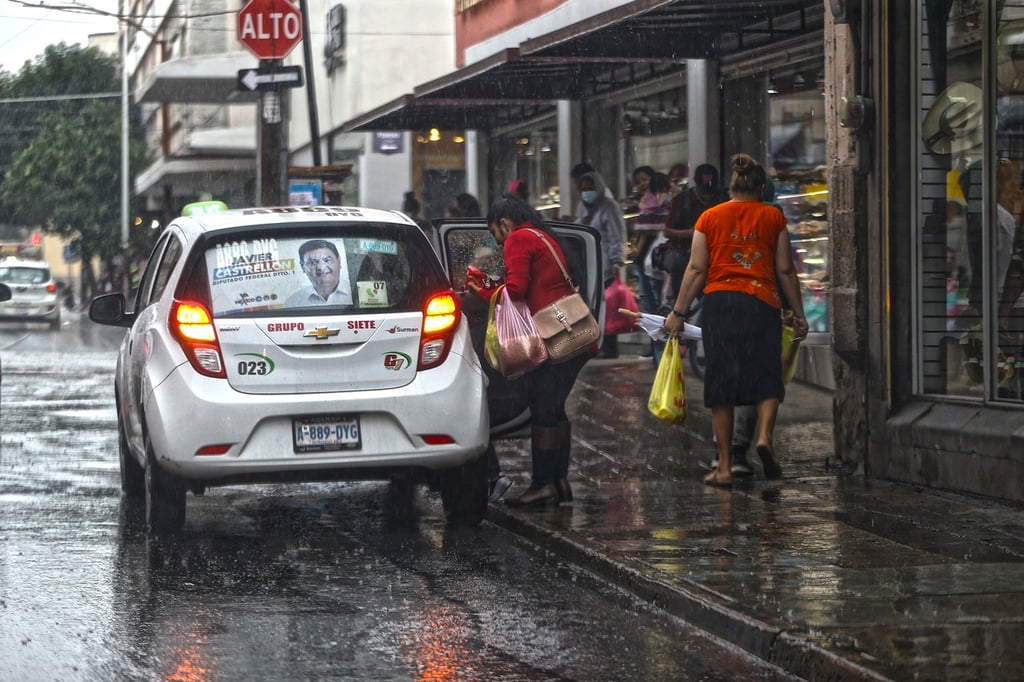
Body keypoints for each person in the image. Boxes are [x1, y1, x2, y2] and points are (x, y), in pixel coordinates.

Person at [663, 153, 808, 487]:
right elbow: (785, 269)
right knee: (767, 373)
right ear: (760, 189)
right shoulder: (773, 218)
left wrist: (678, 311)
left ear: (730, 188)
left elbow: (697, 268)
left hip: (721, 304)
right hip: (762, 302)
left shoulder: (710, 217)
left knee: (722, 383)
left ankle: (725, 467)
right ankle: (764, 439)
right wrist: (797, 314)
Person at [467, 195, 592, 507]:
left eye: (495, 234)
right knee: (554, 408)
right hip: (571, 332)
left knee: (543, 409)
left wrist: (481, 291)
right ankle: (559, 482)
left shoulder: (518, 239)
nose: (497, 243)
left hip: (551, 338)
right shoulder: (542, 235)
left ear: (504, 224)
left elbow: (517, 291)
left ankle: (542, 485)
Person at [575, 170, 627, 358]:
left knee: (608, 307)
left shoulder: (608, 207)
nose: (586, 192)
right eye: (583, 189)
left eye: (590, 188)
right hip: (587, 264)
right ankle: (595, 343)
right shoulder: (582, 207)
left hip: (605, 264)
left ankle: (609, 346)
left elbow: (616, 235)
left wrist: (617, 260)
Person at [661, 163, 728, 306]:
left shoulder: (724, 197)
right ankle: (679, 307)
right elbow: (667, 231)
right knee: (679, 265)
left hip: (718, 250)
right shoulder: (681, 200)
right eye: (703, 195)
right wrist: (691, 233)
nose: (707, 199)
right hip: (683, 250)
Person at [632, 167, 671, 314]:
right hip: (653, 257)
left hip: (656, 257)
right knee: (656, 294)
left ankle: (658, 321)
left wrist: (638, 252)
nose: (641, 184)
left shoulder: (656, 201)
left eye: (645, 180)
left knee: (652, 294)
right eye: (638, 182)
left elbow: (645, 233)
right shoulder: (651, 201)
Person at [285, 239, 352, 306]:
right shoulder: (292, 302)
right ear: (303, 267)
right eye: (312, 262)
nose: (320, 267)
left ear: (339, 261)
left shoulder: (354, 290)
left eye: (327, 260)